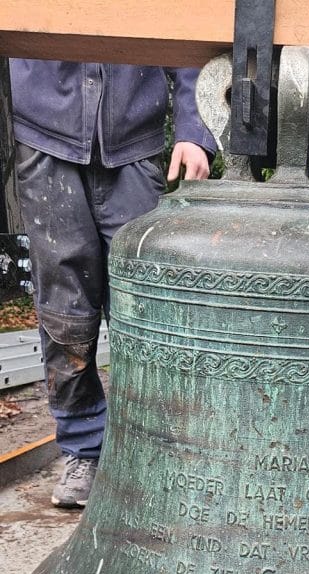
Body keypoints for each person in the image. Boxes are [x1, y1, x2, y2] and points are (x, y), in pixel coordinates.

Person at [9, 60, 215, 507]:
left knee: (147, 310)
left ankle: (154, 449)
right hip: (46, 139)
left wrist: (194, 129)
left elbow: (184, 32)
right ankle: (84, 449)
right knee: (65, 314)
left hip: (133, 147)